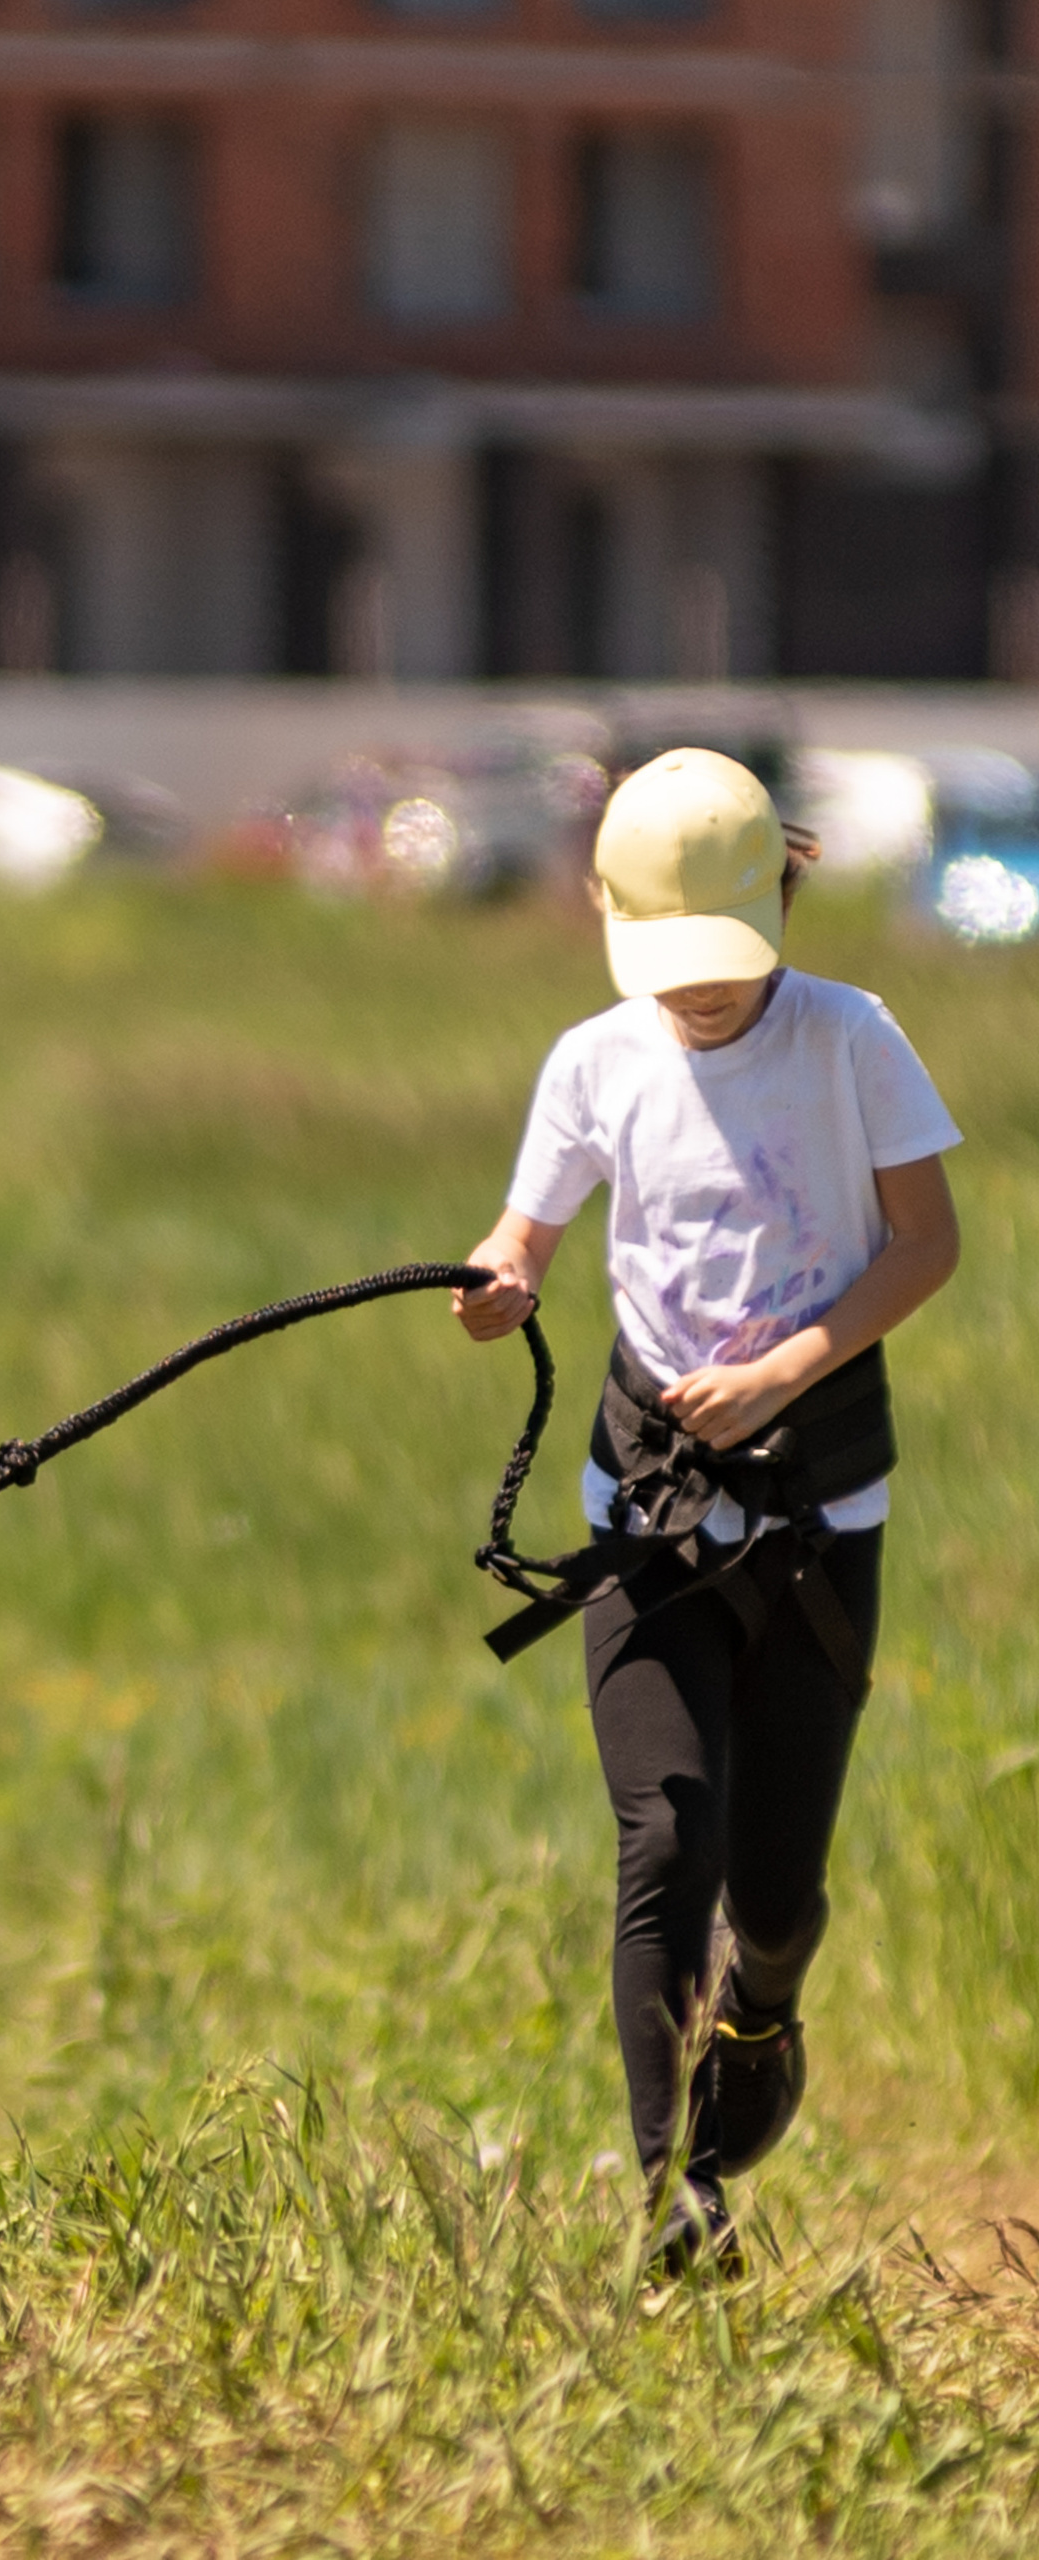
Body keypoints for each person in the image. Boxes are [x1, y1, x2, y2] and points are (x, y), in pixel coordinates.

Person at [455, 749, 961, 2274]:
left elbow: (928, 1246)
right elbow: (525, 1228)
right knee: (662, 1837)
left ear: (782, 904)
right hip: (650, 1514)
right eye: (668, 967)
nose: (698, 996)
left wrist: (787, 1375)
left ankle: (768, 2009)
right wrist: (504, 1280)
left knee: (778, 1890)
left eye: (723, 965)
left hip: (819, 1513)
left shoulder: (852, 1040)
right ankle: (673, 2194)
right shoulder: (595, 1060)